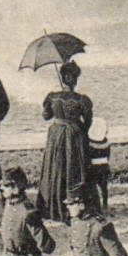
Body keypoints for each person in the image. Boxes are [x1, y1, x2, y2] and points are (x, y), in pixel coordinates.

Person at [37, 61, 93, 222]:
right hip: (73, 135)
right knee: (73, 167)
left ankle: (53, 205)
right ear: (75, 80)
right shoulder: (82, 100)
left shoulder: (52, 97)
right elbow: (88, 122)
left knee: (55, 167)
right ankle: (74, 203)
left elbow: (46, 116)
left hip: (56, 134)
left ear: (62, 79)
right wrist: (77, 128)